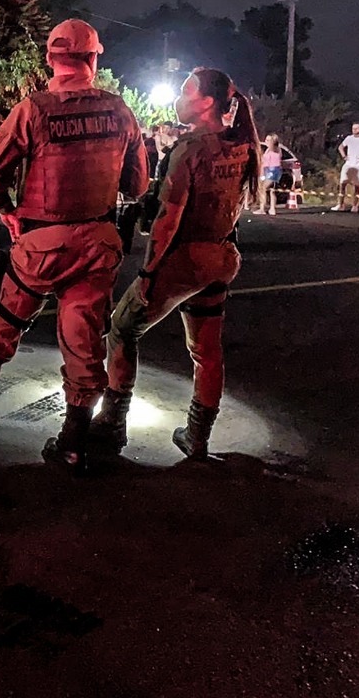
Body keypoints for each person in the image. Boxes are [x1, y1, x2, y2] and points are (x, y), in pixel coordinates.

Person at [0, 19, 148, 466]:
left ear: (50, 59)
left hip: (41, 246)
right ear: (94, 59)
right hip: (98, 244)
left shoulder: (32, 110)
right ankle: (74, 442)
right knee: (83, 338)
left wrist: (9, 213)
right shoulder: (120, 112)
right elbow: (136, 186)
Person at [91, 67, 260, 460]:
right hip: (221, 258)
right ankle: (198, 436)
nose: (178, 99)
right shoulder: (242, 145)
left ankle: (112, 424)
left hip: (185, 261)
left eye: (186, 91)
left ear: (205, 103)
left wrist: (149, 272)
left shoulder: (190, 149)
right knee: (206, 350)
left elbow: (168, 219)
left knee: (122, 327)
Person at [254, 133, 283, 216]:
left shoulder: (275, 149)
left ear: (273, 141)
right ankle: (272, 209)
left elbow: (271, 161)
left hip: (272, 171)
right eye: (266, 140)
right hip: (268, 171)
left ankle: (262, 208)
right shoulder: (268, 150)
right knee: (271, 191)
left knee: (263, 188)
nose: (266, 141)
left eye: (268, 140)